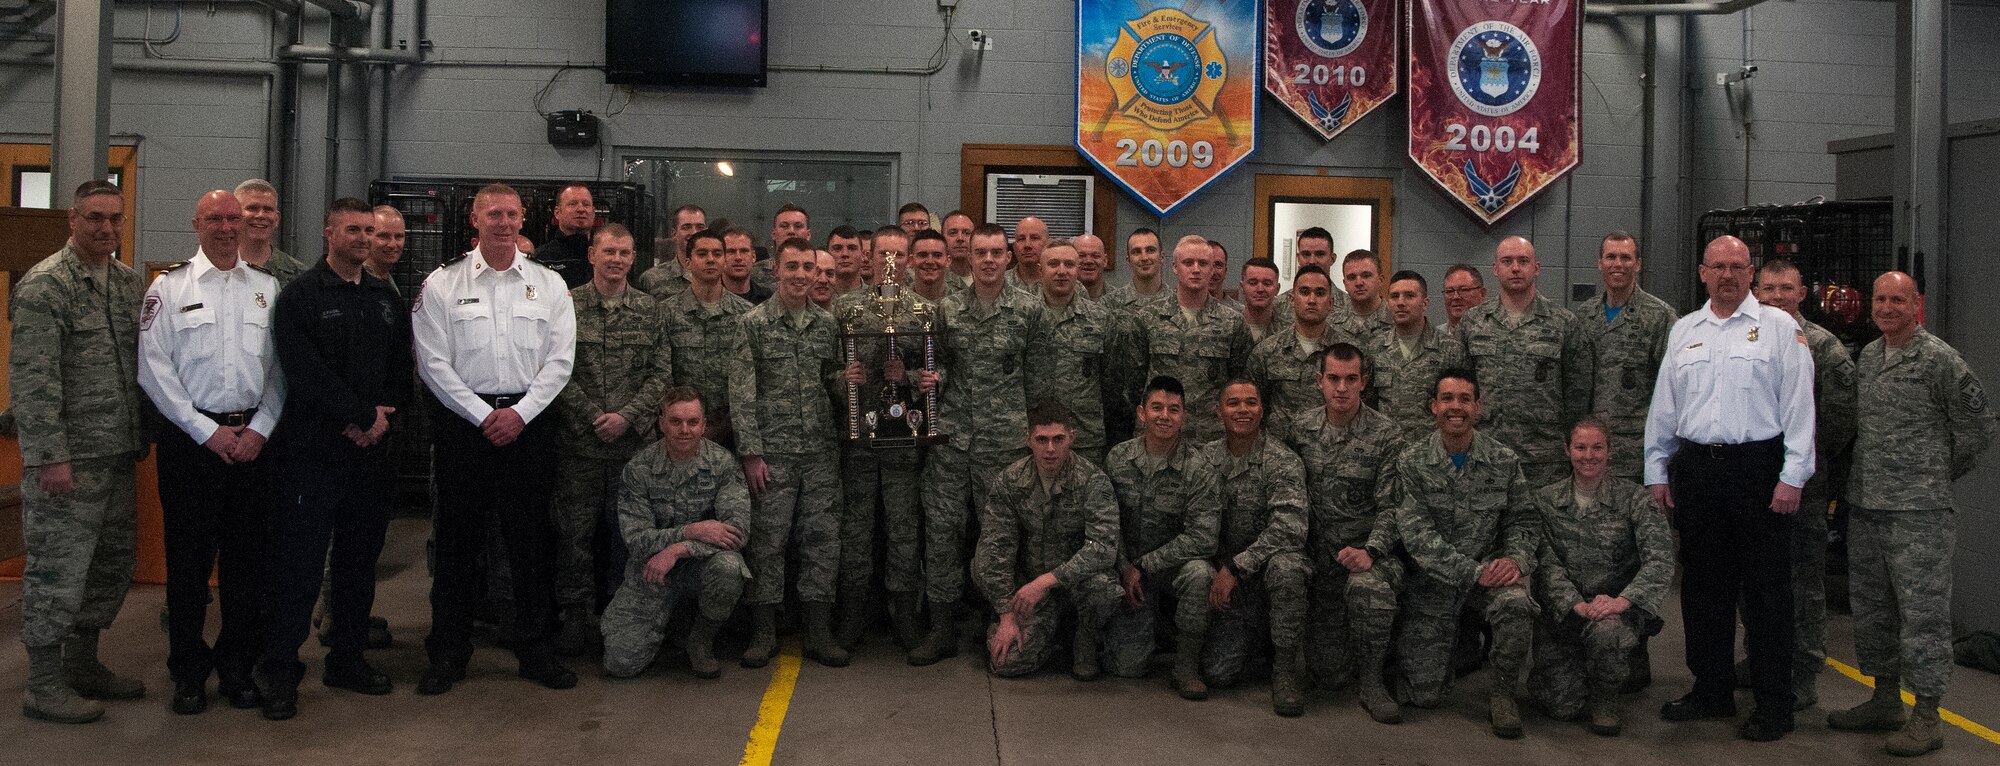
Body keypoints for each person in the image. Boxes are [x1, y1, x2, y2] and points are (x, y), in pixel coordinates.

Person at [1643, 235, 1816, 741]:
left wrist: (1792, 476)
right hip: (1698, 472)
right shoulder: (1685, 330)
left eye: (1737, 266)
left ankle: (1774, 704)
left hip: (1759, 472)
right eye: (1718, 267)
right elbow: (1665, 405)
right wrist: (1657, 468)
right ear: (1702, 273)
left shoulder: (1780, 329)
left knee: (1766, 596)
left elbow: (1800, 408)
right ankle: (1711, 689)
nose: (1727, 275)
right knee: (1702, 590)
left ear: (1750, 272)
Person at [412, 183, 579, 694]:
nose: (503, 222)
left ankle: (536, 650)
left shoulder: (549, 285)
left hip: (529, 425)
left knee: (531, 543)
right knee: (458, 545)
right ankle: (448, 653)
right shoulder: (441, 284)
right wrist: (484, 415)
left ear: (523, 220)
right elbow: (432, 361)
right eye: (493, 214)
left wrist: (521, 414)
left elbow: (560, 360)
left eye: (511, 214)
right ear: (475, 220)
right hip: (465, 428)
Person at [255, 197, 411, 720]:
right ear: (328, 233)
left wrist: (378, 419)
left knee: (356, 565)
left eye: (370, 230)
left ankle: (347, 658)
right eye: (353, 230)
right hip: (313, 453)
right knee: (299, 566)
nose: (364, 239)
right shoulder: (299, 297)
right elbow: (303, 372)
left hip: (370, 456)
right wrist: (357, 416)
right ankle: (280, 669)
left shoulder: (382, 297)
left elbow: (399, 369)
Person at [1828, 271, 1995, 756]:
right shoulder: (1868, 356)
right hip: (1867, 507)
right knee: (1874, 611)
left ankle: (1927, 715)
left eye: (1897, 300)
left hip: (1919, 514)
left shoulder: (1939, 359)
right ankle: (1884, 699)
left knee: (1922, 617)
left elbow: (1978, 426)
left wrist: (1934, 475)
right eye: (1880, 299)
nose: (1886, 308)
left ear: (1916, 305)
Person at [139, 189, 286, 716]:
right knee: (188, 568)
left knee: (248, 567)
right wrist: (207, 433)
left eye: (234, 217)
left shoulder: (268, 290)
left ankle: (236, 668)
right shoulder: (169, 289)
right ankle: (187, 672)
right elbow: (154, 372)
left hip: (253, 445)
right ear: (196, 224)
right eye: (215, 219)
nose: (227, 227)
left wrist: (261, 429)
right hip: (192, 447)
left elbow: (279, 373)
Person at [11, 180, 146, 724]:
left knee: (108, 565)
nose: (106, 229)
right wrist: (50, 457)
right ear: (73, 219)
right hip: (69, 461)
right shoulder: (45, 286)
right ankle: (43, 683)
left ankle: (83, 663)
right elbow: (32, 382)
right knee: (55, 571)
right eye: (95, 218)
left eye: (114, 218)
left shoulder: (128, 284)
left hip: (117, 453)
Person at [911, 223, 1045, 666]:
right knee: (943, 535)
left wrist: (1034, 438)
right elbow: (941, 367)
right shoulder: (946, 309)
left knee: (1002, 538)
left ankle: (1000, 618)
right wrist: (930, 379)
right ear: (966, 257)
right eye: (979, 253)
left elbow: (1038, 378)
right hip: (951, 442)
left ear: (1008, 258)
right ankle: (942, 627)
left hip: (1004, 445)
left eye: (995, 253)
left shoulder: (1028, 311)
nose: (988, 260)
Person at [1384, 368, 1539, 738]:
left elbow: (1524, 520)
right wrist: (1471, 571)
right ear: (1433, 406)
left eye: (1465, 399)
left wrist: (1514, 559)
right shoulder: (1412, 461)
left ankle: (1502, 693)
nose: (1457, 408)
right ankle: (1452, 648)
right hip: (1435, 581)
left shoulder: (1503, 459)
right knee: (1424, 695)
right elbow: (1416, 533)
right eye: (1448, 399)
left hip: (1489, 577)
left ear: (1478, 407)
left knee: (1517, 603)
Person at [548, 224, 672, 656]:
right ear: (592, 255)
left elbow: (662, 375)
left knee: (630, 534)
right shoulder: (564, 307)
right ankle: (576, 617)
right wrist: (593, 416)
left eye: (624, 252)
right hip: (579, 444)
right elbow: (554, 370)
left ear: (634, 257)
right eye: (609, 252)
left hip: (631, 447)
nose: (616, 260)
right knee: (574, 535)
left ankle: (626, 614)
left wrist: (627, 417)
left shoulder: (650, 310)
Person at [728, 238, 849, 668]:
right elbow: (742, 393)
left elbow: (833, 388)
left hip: (819, 451)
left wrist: (847, 380)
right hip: (773, 454)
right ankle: (764, 631)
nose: (801, 274)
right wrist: (751, 453)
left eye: (808, 267)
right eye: (792, 266)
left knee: (822, 542)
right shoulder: (753, 324)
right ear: (775, 271)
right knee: (767, 542)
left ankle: (818, 631)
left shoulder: (828, 325)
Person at [1751, 257, 1857, 710]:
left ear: (1802, 294)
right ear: (1757, 292)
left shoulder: (1824, 348)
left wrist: (1799, 464)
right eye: (1768, 289)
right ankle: (1759, 661)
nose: (1776, 297)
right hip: (1752, 480)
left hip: (1804, 489)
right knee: (1753, 579)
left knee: (1803, 583)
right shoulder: (1746, 336)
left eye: (1785, 289)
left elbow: (1837, 422)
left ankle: (1803, 673)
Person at [1281, 345, 1405, 724]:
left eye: (1351, 379)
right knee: (1330, 676)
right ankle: (1285, 671)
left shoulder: (1386, 434)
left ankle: (1372, 682)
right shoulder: (1300, 429)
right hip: (1317, 554)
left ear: (1364, 383)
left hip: (1363, 555)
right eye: (1332, 378)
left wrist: (1372, 549)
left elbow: (1394, 506)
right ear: (1319, 382)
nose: (1341, 388)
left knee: (1368, 588)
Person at [1528, 419, 1673, 737]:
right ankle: (1605, 666)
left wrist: (1622, 601)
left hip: (1616, 611)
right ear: (1567, 450)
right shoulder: (1546, 501)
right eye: (1580, 447)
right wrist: (1577, 605)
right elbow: (1547, 565)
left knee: (1607, 633)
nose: (1588, 456)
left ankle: (1606, 701)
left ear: (1610, 451)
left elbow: (1660, 560)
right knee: (1562, 706)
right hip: (1566, 613)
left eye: (1597, 447)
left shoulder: (1635, 499)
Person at [599, 388, 751, 679]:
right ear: (661, 422)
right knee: (620, 663)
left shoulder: (722, 464)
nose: (684, 430)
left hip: (699, 568)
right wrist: (693, 530)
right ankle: (669, 623)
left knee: (730, 569)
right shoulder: (639, 469)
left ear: (704, 424)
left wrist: (678, 549)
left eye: (693, 422)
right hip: (652, 572)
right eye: (676, 421)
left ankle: (700, 638)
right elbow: (637, 540)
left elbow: (737, 533)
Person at [828, 226, 930, 649]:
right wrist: (843, 379)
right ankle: (853, 616)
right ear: (869, 258)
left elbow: (935, 375)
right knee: (856, 529)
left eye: (899, 255)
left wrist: (908, 377)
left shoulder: (924, 311)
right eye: (883, 254)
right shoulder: (845, 309)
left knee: (903, 530)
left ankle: (904, 616)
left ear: (907, 260)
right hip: (858, 441)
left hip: (903, 440)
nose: (891, 263)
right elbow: (825, 371)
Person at [974, 402, 1123, 678]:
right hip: (1028, 594)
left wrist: (1046, 581)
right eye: (1042, 440)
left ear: (1072, 438)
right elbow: (995, 551)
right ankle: (1050, 637)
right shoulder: (1010, 481)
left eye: (1058, 439)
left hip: (1073, 587)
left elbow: (1103, 548)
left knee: (1105, 589)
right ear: (1028, 439)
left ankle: (1084, 640)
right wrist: (1007, 614)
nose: (1050, 449)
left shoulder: (1093, 481)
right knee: (1006, 663)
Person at [1101, 377, 1219, 699]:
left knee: (1200, 574)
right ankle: (1157, 628)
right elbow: (1107, 524)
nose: (1164, 416)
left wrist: (1146, 565)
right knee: (1127, 667)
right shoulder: (1118, 459)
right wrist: (1126, 567)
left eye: (1173, 409)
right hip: (1127, 570)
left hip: (1170, 569)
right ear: (1141, 413)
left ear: (1184, 416)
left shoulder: (1199, 468)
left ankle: (1186, 667)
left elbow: (1203, 537)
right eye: (1157, 408)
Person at [1199, 380, 1311, 716]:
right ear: (1219, 411)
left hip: (1265, 571)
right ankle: (1256, 637)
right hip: (1226, 577)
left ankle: (1285, 669)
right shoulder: (1204, 460)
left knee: (1288, 567)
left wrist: (1236, 567)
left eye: (1251, 403)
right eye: (1233, 403)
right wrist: (1221, 568)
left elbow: (1290, 528)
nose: (1243, 410)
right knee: (1218, 675)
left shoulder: (1283, 461)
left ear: (1262, 410)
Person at [1446, 237, 1579, 487]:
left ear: (1536, 268)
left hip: (1545, 459)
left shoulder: (1563, 323)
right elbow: (1457, 389)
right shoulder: (1473, 322)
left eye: (1523, 261)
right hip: (1485, 452)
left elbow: (1578, 394)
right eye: (1507, 261)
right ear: (1496, 269)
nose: (1515, 268)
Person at [1568, 232, 1676, 481]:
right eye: (1611, 257)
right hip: (1589, 451)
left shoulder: (1659, 317)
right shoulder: (1585, 315)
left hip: (1635, 450)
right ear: (1600, 263)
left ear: (1637, 264)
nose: (1618, 264)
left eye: (1626, 257)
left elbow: (1671, 388)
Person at [1128, 235, 1251, 443]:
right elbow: (1133, 383)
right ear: (1175, 267)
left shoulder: (1232, 322)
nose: (1196, 269)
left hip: (1211, 437)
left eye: (1203, 263)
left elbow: (1239, 382)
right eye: (1188, 263)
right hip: (1160, 435)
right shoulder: (1148, 318)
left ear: (1213, 269)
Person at [1028, 240, 1118, 466]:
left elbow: (1112, 383)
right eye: (1054, 264)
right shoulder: (1022, 315)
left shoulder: (1101, 319)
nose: (1062, 271)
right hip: (1033, 436)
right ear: (1040, 269)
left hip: (1085, 436)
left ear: (1077, 269)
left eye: (1069, 264)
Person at [660, 229, 753, 448]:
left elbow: (751, 379)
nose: (710, 259)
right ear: (688, 262)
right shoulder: (666, 313)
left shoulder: (746, 314)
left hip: (733, 431)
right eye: (702, 254)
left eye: (717, 254)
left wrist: (722, 427)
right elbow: (662, 373)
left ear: (724, 260)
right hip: (680, 431)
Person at [1246, 266, 1352, 433]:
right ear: (1292, 300)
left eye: (1320, 293)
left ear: (1331, 303)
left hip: (1333, 450)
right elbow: (1254, 406)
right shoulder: (1267, 351)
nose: (1311, 300)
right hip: (1279, 451)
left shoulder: (1350, 352)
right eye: (1304, 292)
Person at [1370, 271, 1449, 441]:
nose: (1400, 303)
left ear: (1425, 303)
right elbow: (1368, 402)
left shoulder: (1449, 349)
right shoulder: (1375, 347)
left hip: (1430, 448)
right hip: (1386, 446)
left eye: (1409, 296)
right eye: (1394, 296)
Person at [234, 179, 307, 287]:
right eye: (252, 208)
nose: (260, 215)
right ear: (235, 215)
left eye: (267, 209)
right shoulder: (218, 270)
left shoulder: (300, 276)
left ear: (277, 219)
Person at [532, 182, 596, 289]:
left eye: (586, 204)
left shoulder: (605, 257)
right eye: (573, 204)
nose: (581, 209)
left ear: (593, 213)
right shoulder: (541, 259)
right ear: (557, 212)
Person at [635, 203, 704, 297]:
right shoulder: (652, 279)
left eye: (700, 227)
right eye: (686, 227)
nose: (694, 232)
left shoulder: (717, 275)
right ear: (674, 233)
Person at [1099, 228, 1170, 312]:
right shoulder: (1109, 305)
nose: (1144, 258)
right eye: (1136, 252)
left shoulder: (1178, 303)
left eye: (1150, 250)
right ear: (1128, 260)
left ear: (1161, 257)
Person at [1340, 250, 1391, 343]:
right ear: (1345, 284)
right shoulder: (1330, 322)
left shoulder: (1397, 320)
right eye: (1352, 277)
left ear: (1381, 280)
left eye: (1366, 275)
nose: (1359, 283)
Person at [1236, 258, 1282, 342]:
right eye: (1253, 283)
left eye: (1267, 283)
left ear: (1277, 289)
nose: (1260, 289)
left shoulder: (1287, 330)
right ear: (1242, 287)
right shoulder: (1227, 326)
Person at [366, 205, 406, 291]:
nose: (392, 244)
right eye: (383, 236)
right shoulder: (357, 284)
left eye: (399, 236)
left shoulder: (385, 278)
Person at [906, 230, 953, 303]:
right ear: (911, 260)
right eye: (922, 255)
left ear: (948, 260)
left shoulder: (964, 302)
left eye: (937, 255)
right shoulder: (898, 304)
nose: (930, 261)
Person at [1005, 216, 1048, 292]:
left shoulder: (1061, 283)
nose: (1027, 245)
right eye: (1021, 239)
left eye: (1034, 238)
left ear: (1047, 244)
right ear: (1014, 247)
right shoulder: (1000, 283)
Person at [1441, 264, 1486, 334]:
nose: (1456, 296)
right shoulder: (1433, 339)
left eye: (1464, 290)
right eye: (1449, 291)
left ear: (1482, 294)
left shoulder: (1500, 336)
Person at [825, 226, 868, 296]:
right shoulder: (816, 298)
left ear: (863, 255)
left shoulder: (876, 298)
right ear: (827, 255)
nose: (845, 254)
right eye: (837, 248)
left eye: (852, 248)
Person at [940, 210, 976, 284]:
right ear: (942, 238)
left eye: (966, 233)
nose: (960, 238)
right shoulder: (935, 280)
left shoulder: (983, 279)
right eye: (953, 233)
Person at [1073, 233, 1110, 301]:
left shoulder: (1120, 301)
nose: (1088, 261)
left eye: (1095, 256)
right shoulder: (1059, 299)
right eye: (1081, 256)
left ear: (1105, 261)